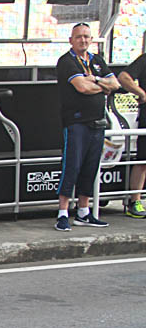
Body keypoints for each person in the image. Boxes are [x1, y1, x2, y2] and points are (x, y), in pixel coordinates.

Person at [54, 22, 121, 231]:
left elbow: (115, 84)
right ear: (71, 40)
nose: (83, 40)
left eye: (86, 36)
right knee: (71, 166)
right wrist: (102, 87)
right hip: (76, 122)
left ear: (91, 39)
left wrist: (96, 80)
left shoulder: (97, 61)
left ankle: (84, 211)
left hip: (97, 123)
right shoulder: (67, 61)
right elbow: (81, 87)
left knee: (91, 167)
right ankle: (63, 213)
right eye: (79, 37)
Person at [117, 52, 146, 219]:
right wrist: (141, 93)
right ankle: (134, 201)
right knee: (143, 160)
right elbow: (124, 77)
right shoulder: (144, 60)